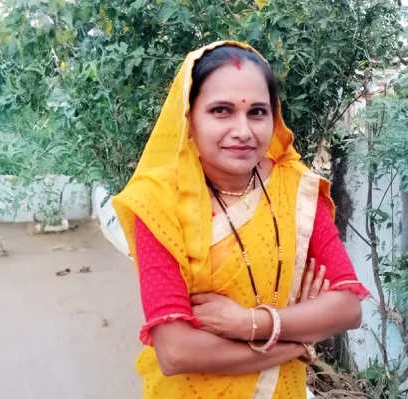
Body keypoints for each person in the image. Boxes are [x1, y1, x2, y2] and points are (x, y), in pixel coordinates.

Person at [112, 41, 369, 399]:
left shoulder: (296, 191)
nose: (243, 131)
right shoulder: (158, 203)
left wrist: (247, 323)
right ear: (188, 119)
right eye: (221, 111)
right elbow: (175, 351)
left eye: (257, 113)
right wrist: (299, 339)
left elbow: (347, 307)